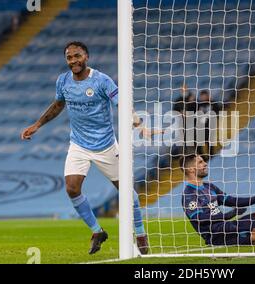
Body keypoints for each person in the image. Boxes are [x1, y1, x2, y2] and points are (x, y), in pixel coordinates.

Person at [21, 41, 160, 255]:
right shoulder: (63, 81)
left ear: (86, 56)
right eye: (69, 57)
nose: (73, 61)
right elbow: (58, 104)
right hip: (78, 144)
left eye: (77, 56)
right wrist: (37, 124)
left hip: (105, 145)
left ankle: (140, 232)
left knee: (126, 191)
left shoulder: (102, 81)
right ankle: (97, 231)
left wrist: (139, 124)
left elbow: (122, 103)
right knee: (71, 188)